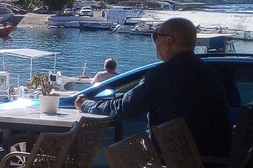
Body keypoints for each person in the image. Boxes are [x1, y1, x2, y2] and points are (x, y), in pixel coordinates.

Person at [74, 17, 232, 159]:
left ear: (169, 41)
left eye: (155, 36)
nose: (154, 41)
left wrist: (86, 104)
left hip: (178, 162)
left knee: (119, 157)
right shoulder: (211, 74)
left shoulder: (164, 75)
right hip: (217, 160)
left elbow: (123, 108)